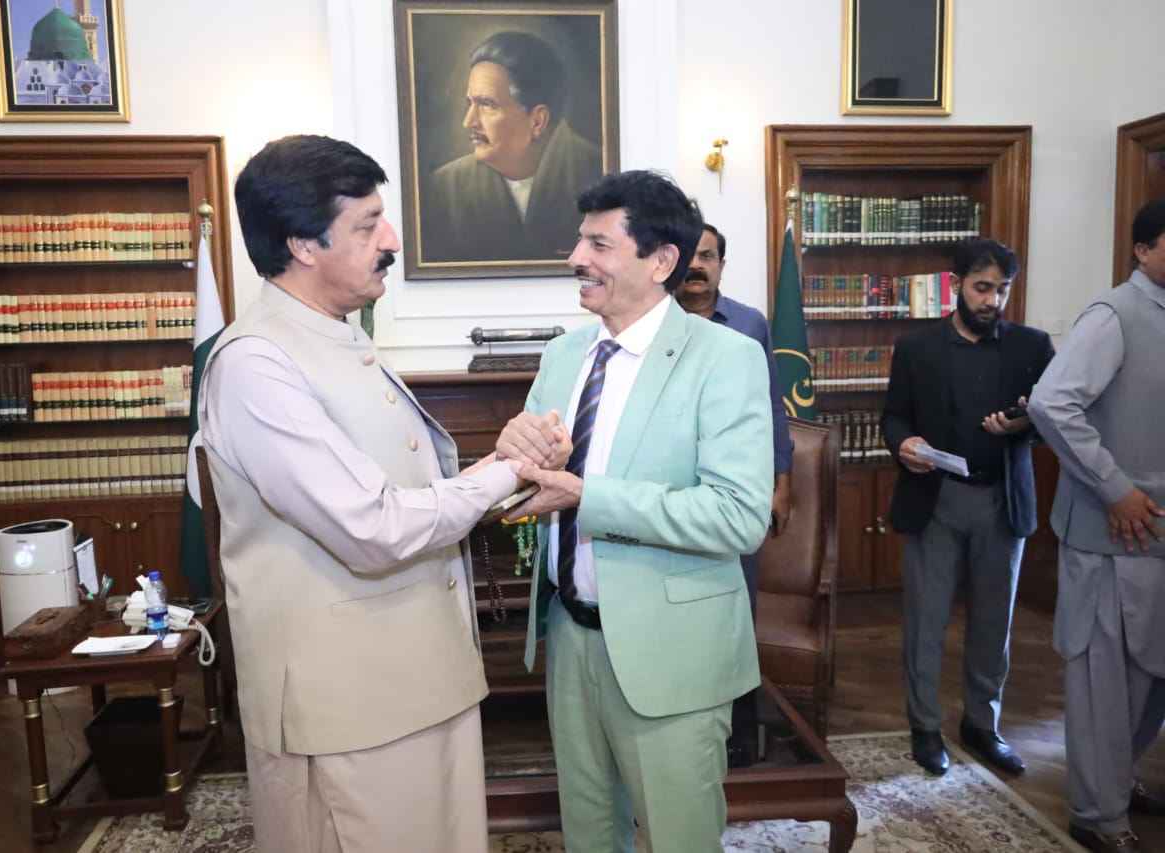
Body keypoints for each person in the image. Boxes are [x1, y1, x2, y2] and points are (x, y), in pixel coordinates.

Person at [198, 134, 565, 852]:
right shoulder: (255, 365)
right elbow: (373, 526)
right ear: (302, 244)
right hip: (348, 700)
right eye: (368, 225)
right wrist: (507, 468)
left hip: (411, 677)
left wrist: (503, 471)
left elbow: (408, 488)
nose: (391, 240)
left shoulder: (334, 336)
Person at [499, 170, 774, 853]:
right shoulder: (563, 355)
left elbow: (739, 515)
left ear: (661, 261)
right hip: (569, 639)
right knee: (589, 834)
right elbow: (530, 475)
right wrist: (512, 456)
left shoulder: (727, 358)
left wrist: (588, 496)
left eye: (598, 244)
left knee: (680, 839)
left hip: (672, 654)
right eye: (579, 241)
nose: (576, 258)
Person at [880, 237, 1054, 778]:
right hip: (935, 498)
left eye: (1002, 290)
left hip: (1002, 499)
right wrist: (903, 444)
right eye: (982, 288)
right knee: (926, 621)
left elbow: (1056, 420)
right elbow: (894, 417)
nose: (991, 300)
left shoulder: (1033, 347)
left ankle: (982, 724)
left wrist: (1025, 425)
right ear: (955, 285)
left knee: (993, 624)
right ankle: (925, 727)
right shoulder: (916, 348)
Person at [1027, 198, 1165, 853]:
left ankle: (1115, 782)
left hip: (1156, 541)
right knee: (1106, 683)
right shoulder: (1115, 314)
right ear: (1143, 249)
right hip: (1112, 540)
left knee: (1151, 683)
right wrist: (1116, 488)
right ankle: (1097, 815)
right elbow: (1053, 404)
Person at [675, 221, 794, 766]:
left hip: (740, 491)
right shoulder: (656, 321)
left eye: (708, 256)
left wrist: (782, 481)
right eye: (690, 255)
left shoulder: (749, 325)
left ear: (722, 265)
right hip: (677, 491)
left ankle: (740, 733)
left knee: (737, 610)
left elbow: (772, 407)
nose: (698, 265)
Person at [422, 30, 603, 264]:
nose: (469, 121)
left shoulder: (596, 172)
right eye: (471, 104)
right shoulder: (446, 189)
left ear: (537, 120)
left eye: (487, 105)